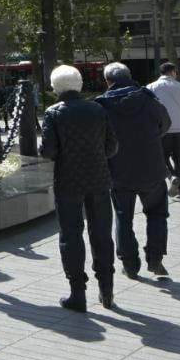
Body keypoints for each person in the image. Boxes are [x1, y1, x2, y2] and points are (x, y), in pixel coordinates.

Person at [40, 65, 119, 311]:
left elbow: (48, 151)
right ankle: (106, 289)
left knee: (71, 235)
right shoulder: (98, 109)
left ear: (55, 87)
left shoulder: (53, 113)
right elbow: (112, 146)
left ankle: (78, 293)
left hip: (68, 180)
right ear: (79, 84)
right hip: (98, 178)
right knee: (102, 233)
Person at [95, 62, 172, 280]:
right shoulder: (148, 99)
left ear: (108, 81)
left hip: (118, 171)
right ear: (129, 76)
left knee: (123, 217)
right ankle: (155, 259)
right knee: (157, 214)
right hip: (152, 168)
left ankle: (130, 264)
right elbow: (165, 124)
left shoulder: (101, 105)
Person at [147, 61, 180, 199]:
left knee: (162, 157)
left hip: (162, 129)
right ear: (173, 71)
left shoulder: (151, 87)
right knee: (178, 157)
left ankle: (171, 177)